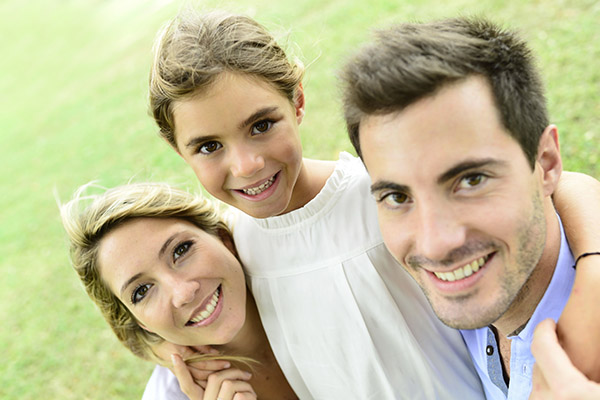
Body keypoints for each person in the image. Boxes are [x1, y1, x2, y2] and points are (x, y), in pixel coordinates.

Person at [340, 16, 600, 399]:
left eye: (471, 181)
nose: (435, 245)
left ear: (545, 163)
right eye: (398, 197)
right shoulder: (422, 316)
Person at [60, 182, 298, 400]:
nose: (183, 293)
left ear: (222, 238)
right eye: (142, 291)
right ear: (141, 322)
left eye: (181, 250)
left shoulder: (301, 263)